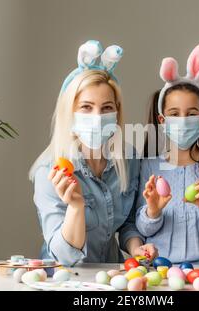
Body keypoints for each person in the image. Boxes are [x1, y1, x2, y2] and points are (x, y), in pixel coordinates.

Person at [29, 40, 157, 266]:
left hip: (110, 274)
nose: (97, 117)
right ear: (69, 112)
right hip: (64, 279)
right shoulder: (49, 170)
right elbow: (65, 257)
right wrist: (76, 206)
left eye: (107, 107)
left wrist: (138, 249)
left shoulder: (129, 160)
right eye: (86, 107)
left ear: (117, 113)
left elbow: (127, 224)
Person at [135, 44, 199, 265]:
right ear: (162, 120)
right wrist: (153, 211)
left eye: (191, 114)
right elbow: (141, 228)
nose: (182, 119)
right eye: (174, 113)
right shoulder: (150, 167)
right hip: (162, 270)